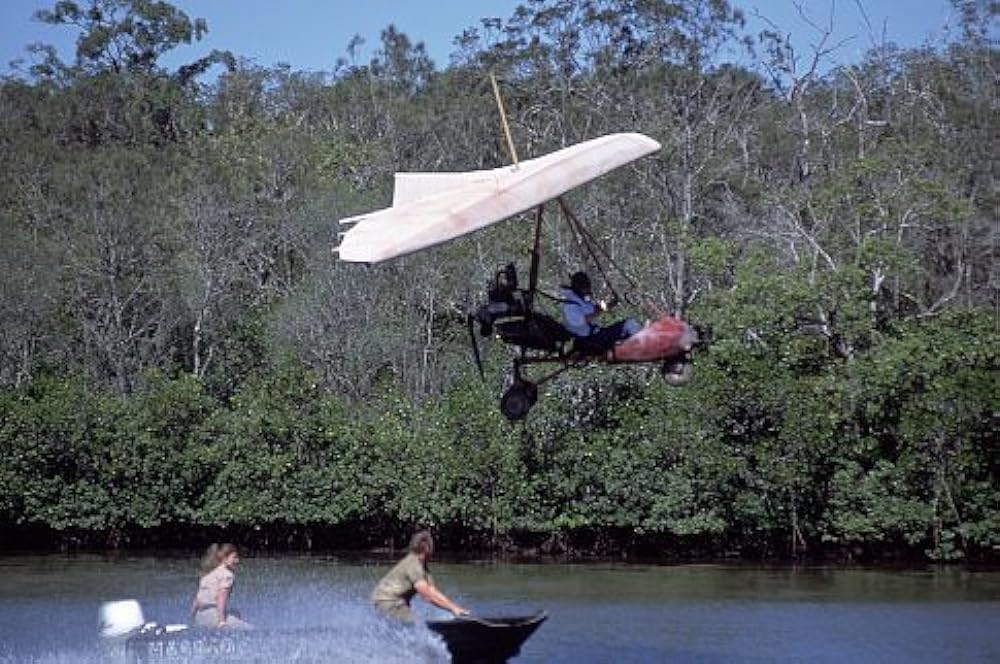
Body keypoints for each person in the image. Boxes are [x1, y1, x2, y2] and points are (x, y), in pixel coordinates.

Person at [371, 530, 469, 623]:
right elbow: (427, 596)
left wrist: (454, 608)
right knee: (417, 625)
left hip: (391, 601)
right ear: (427, 548)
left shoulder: (422, 566)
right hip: (388, 601)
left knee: (415, 624)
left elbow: (432, 591)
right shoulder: (414, 565)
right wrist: (452, 608)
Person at [559, 271, 641, 354]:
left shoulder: (580, 301)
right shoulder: (570, 305)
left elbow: (594, 310)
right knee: (630, 324)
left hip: (596, 336)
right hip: (589, 341)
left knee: (628, 328)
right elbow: (583, 320)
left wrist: (608, 305)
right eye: (586, 287)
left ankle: (635, 347)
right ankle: (641, 348)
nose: (588, 290)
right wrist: (600, 310)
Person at [190, 543, 253, 630]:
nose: (237, 561)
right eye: (234, 557)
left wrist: (192, 619)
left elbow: (197, 600)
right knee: (249, 629)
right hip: (213, 615)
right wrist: (221, 621)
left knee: (235, 613)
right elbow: (221, 598)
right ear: (225, 558)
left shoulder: (209, 574)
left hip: (199, 616)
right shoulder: (227, 575)